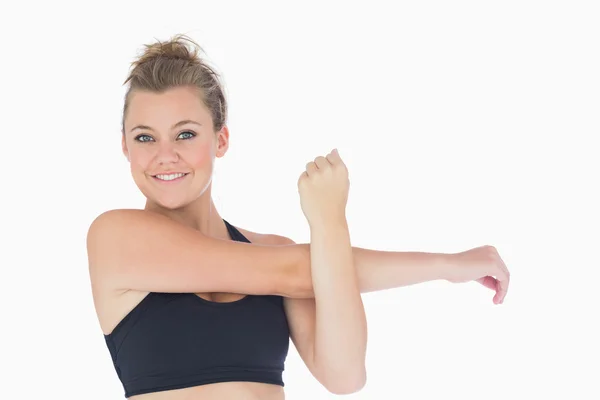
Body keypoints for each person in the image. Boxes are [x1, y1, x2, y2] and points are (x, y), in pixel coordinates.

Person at [86, 34, 510, 400]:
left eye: (185, 134)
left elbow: (344, 375)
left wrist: (329, 222)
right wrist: (448, 266)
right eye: (145, 137)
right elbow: (304, 273)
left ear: (221, 139)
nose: (165, 156)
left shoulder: (278, 252)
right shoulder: (115, 238)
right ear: (125, 146)